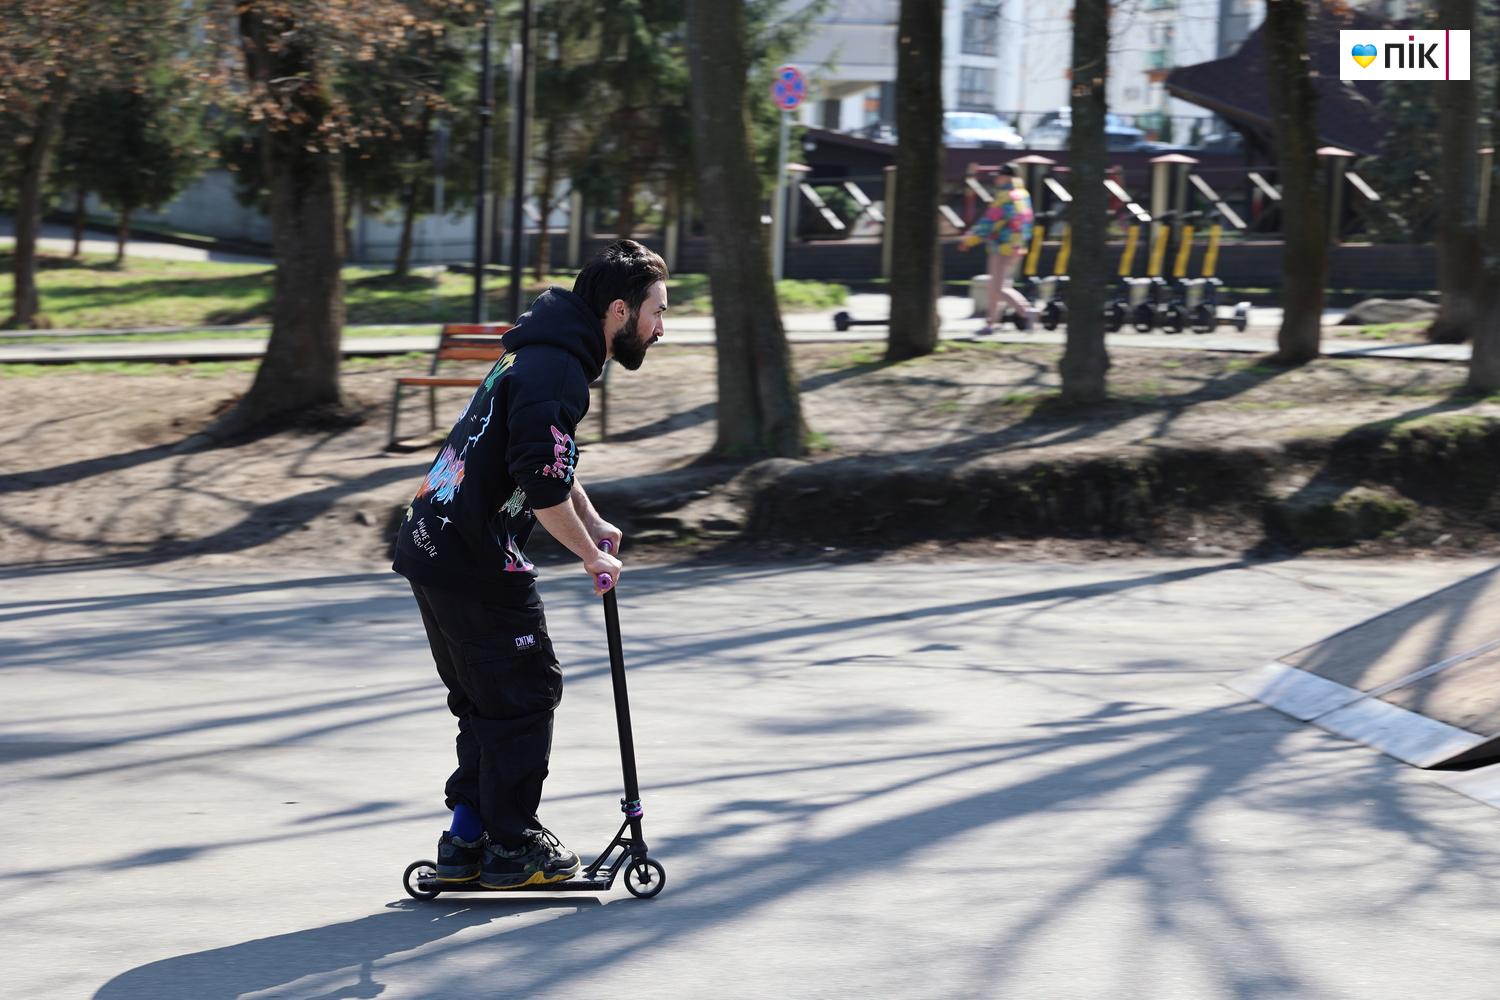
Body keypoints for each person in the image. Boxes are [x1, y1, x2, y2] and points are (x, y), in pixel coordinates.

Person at [392, 239, 669, 889]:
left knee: (485, 701)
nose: (662, 328)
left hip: (433, 544)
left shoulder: (543, 353)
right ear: (620, 311)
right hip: (474, 557)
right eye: (657, 312)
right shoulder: (558, 370)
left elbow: (546, 461)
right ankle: (513, 843)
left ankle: (466, 838)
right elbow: (540, 486)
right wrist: (590, 556)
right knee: (523, 694)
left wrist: (593, 522)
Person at [960, 163, 1037, 333]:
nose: (997, 178)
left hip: (1002, 246)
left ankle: (1026, 311)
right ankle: (991, 323)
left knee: (997, 288)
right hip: (1018, 245)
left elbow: (989, 222)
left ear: (1008, 177)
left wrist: (969, 240)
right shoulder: (1023, 195)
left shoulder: (1005, 196)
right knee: (998, 285)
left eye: (1000, 175)